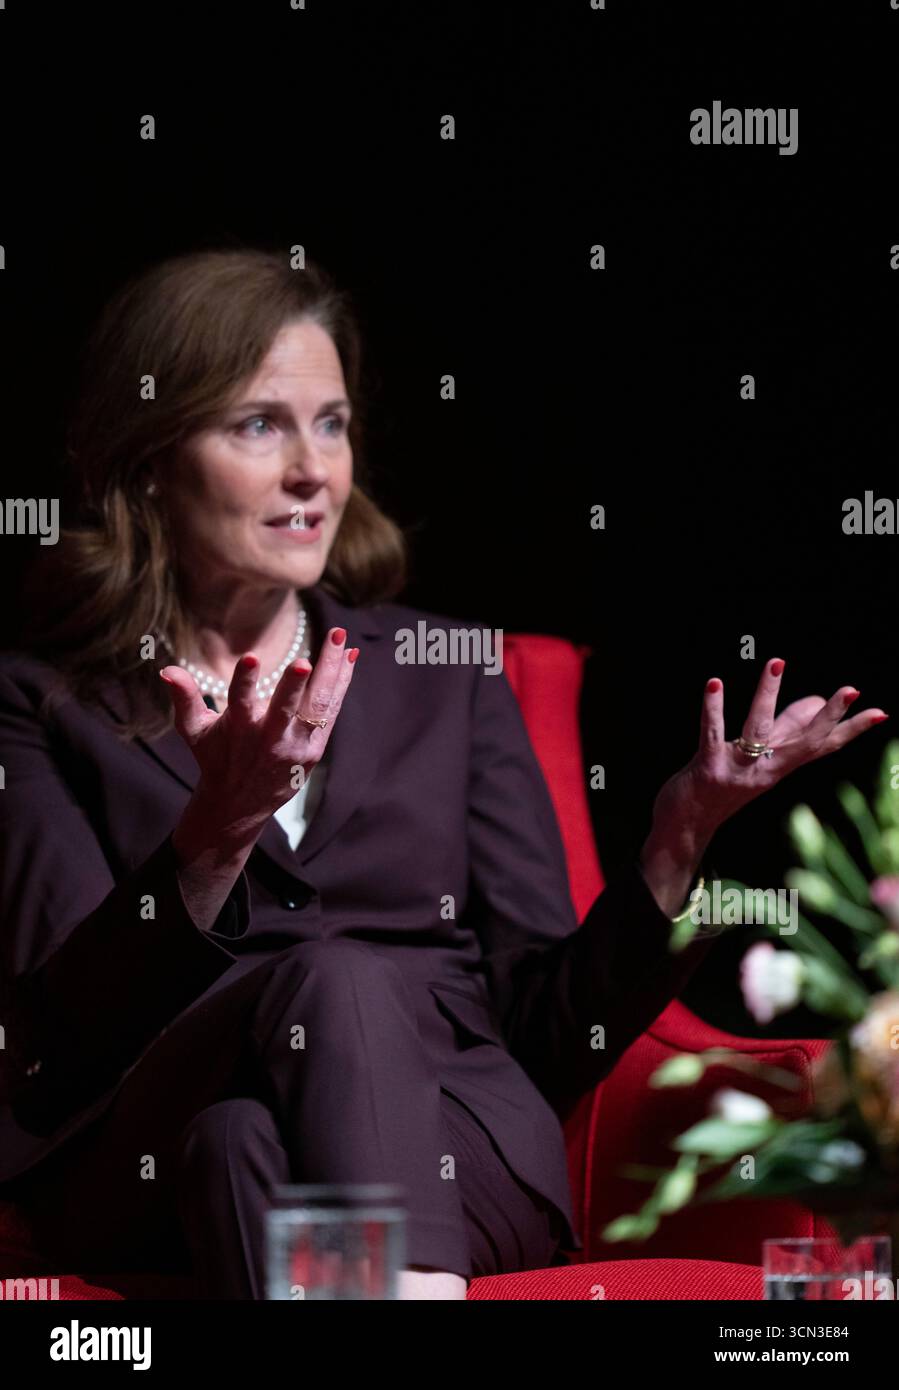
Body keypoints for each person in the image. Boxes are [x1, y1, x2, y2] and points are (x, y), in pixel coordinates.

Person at [0, 249, 887, 1300]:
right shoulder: (41, 701)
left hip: (451, 1148)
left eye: (330, 424)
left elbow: (545, 1032)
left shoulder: (449, 675)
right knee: (311, 1003)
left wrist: (674, 844)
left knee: (238, 1152)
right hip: (143, 1151)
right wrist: (214, 834)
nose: (312, 471)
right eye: (257, 425)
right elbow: (57, 1043)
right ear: (149, 459)